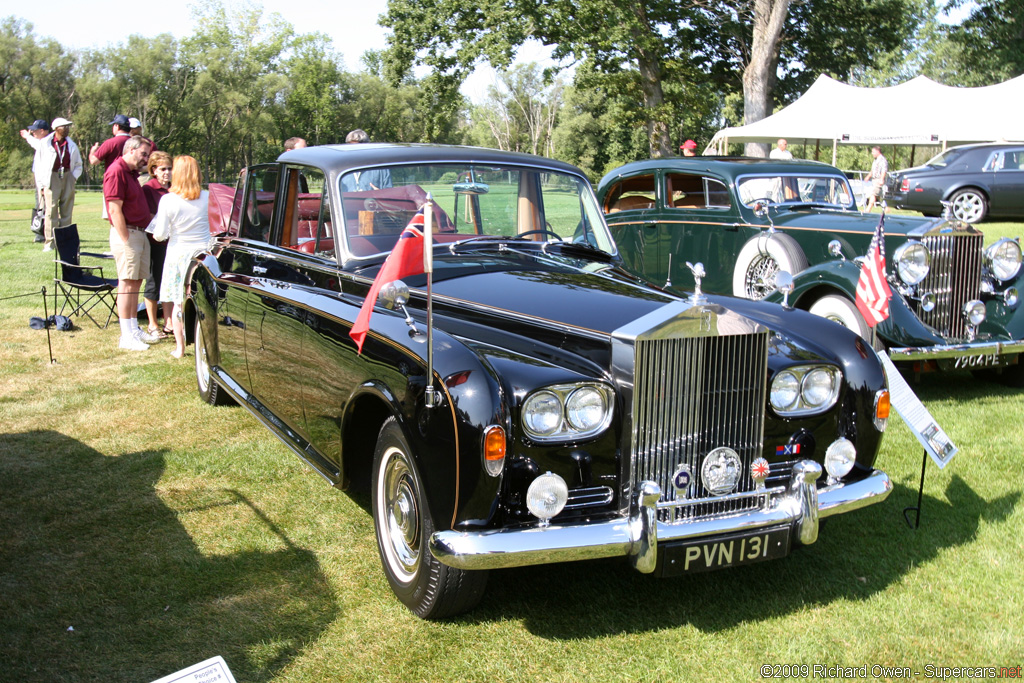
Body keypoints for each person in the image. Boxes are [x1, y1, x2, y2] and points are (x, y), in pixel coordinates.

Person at [150, 155, 212, 359]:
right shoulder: (208, 196)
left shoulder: (168, 200)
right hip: (202, 255)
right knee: (205, 301)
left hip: (178, 254)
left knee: (178, 304)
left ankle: (180, 348)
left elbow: (159, 234)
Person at [104, 135, 156, 351]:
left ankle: (133, 329)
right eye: (143, 154)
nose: (146, 159)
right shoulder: (116, 171)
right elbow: (114, 209)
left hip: (139, 233)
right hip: (128, 235)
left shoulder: (132, 174)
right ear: (131, 150)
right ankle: (126, 336)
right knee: (126, 284)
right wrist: (125, 239)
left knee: (135, 283)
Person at [20, 117, 82, 251]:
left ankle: (64, 242)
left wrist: (73, 178)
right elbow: (40, 166)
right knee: (51, 211)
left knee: (67, 211)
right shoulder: (45, 143)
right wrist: (42, 185)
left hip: (67, 175)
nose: (66, 129)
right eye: (63, 127)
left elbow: (78, 164)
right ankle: (50, 242)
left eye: (67, 127)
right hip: (51, 177)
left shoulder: (71, 144)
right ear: (56, 129)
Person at [142, 151, 174, 338]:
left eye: (170, 169)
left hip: (173, 242)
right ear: (154, 170)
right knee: (154, 280)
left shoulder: (174, 188)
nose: (167, 173)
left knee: (170, 281)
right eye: (163, 169)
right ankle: (153, 323)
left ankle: (169, 321)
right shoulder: (148, 189)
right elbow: (148, 216)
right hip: (155, 242)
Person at [25, 119, 52, 242]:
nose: (33, 132)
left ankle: (42, 233)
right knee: (40, 206)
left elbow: (35, 143)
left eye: (35, 130)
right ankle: (40, 231)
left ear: (42, 131)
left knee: (44, 207)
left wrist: (27, 136)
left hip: (44, 181)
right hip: (40, 180)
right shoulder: (43, 142)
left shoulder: (46, 143)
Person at [865, 145, 889, 211]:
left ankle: (868, 209)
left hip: (879, 179)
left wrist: (881, 179)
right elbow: (873, 170)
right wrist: (868, 176)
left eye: (873, 152)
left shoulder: (882, 160)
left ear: (878, 151)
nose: (872, 153)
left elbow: (884, 170)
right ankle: (886, 208)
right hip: (874, 180)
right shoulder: (875, 160)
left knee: (873, 194)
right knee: (880, 196)